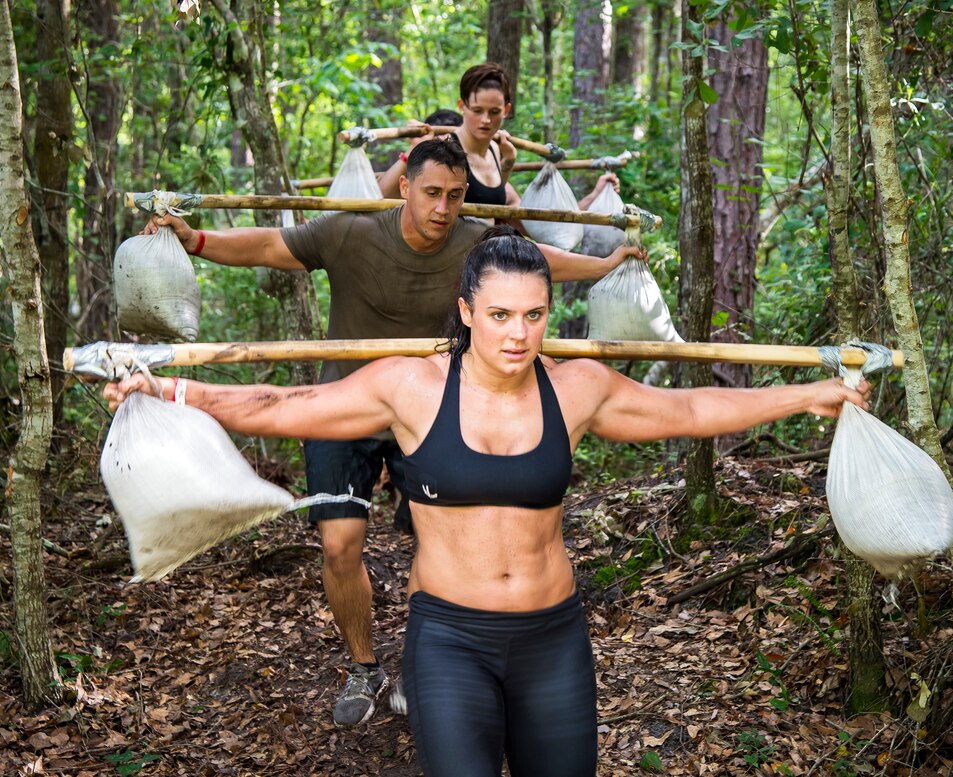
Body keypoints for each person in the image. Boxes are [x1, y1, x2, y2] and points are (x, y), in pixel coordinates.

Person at [106, 227, 868, 776]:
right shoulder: (408, 387)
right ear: (467, 310)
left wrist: (809, 394)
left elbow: (693, 411)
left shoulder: (577, 389)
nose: (519, 332)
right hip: (450, 641)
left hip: (553, 639)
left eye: (534, 315)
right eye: (500, 315)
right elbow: (283, 403)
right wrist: (169, 388)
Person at [142, 137, 646, 728]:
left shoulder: (473, 242)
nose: (444, 207)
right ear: (404, 186)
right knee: (339, 544)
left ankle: (423, 662)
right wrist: (195, 240)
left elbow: (534, 264)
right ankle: (363, 666)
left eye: (456, 196)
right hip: (347, 406)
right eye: (432, 193)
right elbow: (269, 246)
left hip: (433, 412)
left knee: (437, 544)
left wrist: (607, 265)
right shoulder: (352, 232)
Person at [377, 63, 618, 211]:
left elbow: (529, 219)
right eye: (477, 110)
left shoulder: (496, 151)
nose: (485, 120)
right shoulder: (445, 148)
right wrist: (413, 152)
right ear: (462, 106)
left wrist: (596, 196)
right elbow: (382, 197)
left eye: (494, 112)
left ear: (506, 110)